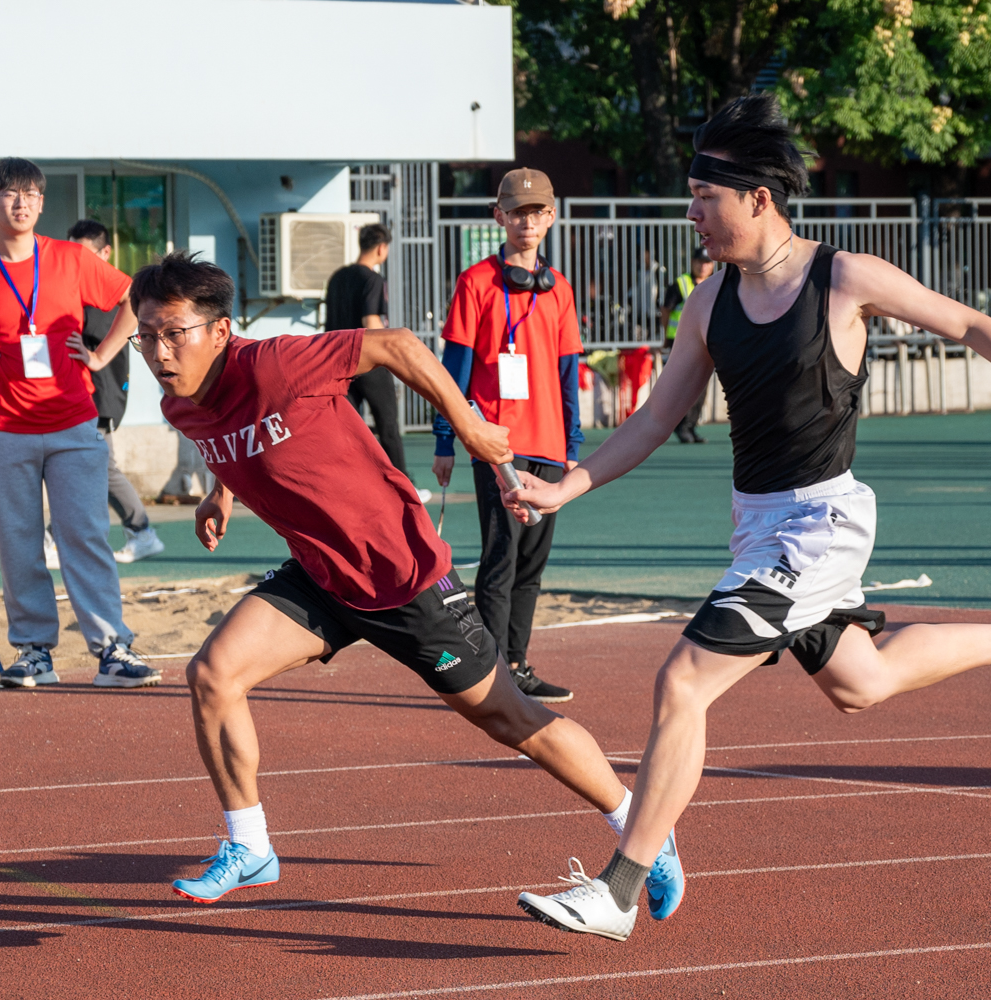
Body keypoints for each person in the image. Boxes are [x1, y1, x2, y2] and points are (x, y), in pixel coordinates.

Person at [508, 95, 991, 942]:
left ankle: (619, 890)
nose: (692, 214)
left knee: (683, 681)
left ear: (757, 198)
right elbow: (650, 421)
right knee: (862, 683)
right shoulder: (709, 304)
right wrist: (566, 487)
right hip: (758, 527)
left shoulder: (842, 278)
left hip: (817, 527)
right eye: (689, 196)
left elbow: (967, 322)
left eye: (704, 197)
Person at [126, 252, 679, 908]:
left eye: (173, 333)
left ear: (219, 332)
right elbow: (235, 431)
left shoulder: (275, 362)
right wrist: (221, 494)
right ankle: (250, 846)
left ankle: (644, 829)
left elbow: (395, 344)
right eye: (146, 335)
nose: (158, 351)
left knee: (511, 717)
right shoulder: (180, 399)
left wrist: (468, 425)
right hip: (322, 574)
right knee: (213, 674)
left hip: (402, 574)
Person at [0, 157, 159, 689]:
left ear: (42, 203)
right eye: (9, 194)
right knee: (18, 541)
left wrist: (103, 354)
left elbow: (134, 298)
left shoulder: (69, 258)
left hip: (74, 423)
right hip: (3, 428)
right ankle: (35, 651)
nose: (21, 202)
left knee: (84, 535)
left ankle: (112, 650)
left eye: (31, 194)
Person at [431, 168, 582, 705]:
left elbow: (568, 375)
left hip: (549, 446)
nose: (527, 221)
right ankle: (492, 672)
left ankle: (516, 662)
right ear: (499, 216)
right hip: (497, 446)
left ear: (551, 216)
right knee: (501, 559)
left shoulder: (559, 289)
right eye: (517, 212)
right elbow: (452, 373)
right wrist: (446, 440)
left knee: (532, 566)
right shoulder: (475, 283)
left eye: (537, 211)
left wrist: (573, 449)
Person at [44, 220, 165, 569]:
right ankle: (133, 532)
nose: (75, 261)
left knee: (100, 467)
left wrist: (91, 355)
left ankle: (140, 531)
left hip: (101, 395)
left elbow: (85, 335)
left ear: (105, 253)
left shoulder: (105, 294)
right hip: (82, 395)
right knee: (89, 467)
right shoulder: (81, 288)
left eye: (82, 254)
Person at [326, 223, 430, 504]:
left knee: (348, 428)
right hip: (366, 363)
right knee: (388, 425)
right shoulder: (373, 279)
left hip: (338, 364)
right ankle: (404, 488)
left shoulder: (337, 277)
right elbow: (370, 322)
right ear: (382, 248)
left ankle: (352, 486)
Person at [659, 247, 716, 443]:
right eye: (700, 262)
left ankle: (691, 426)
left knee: (701, 386)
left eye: (707, 262)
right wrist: (666, 337)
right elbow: (666, 310)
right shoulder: (681, 284)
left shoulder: (715, 284)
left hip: (707, 342)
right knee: (684, 385)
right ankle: (681, 425)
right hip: (681, 342)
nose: (703, 266)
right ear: (692, 262)